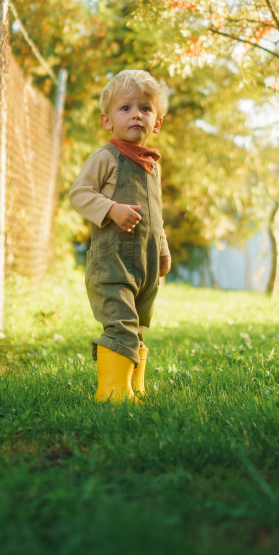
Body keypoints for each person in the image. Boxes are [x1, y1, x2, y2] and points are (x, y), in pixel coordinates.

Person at [69, 69, 171, 403]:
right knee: (120, 322)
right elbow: (79, 194)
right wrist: (111, 209)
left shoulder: (152, 166)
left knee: (137, 324)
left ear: (156, 123)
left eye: (145, 108)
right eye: (125, 108)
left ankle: (133, 388)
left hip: (144, 265)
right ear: (107, 120)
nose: (136, 114)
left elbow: (156, 214)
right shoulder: (105, 158)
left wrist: (164, 250)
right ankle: (111, 393)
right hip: (112, 263)